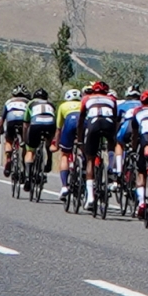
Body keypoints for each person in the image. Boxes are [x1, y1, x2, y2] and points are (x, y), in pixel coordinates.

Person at [76, 81, 121, 209]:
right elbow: (115, 119)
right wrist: (114, 138)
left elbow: (81, 120)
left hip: (93, 125)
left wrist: (80, 139)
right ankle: (111, 168)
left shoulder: (86, 98)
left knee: (90, 160)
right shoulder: (112, 99)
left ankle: (90, 197)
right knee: (112, 144)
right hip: (108, 124)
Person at [0, 86, 31, 176]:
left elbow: (1, 120)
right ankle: (24, 162)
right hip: (23, 122)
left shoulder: (8, 102)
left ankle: (9, 158)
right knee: (25, 143)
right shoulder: (28, 102)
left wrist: (0, 130)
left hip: (11, 121)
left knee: (9, 140)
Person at [25, 89, 57, 179]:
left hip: (36, 124)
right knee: (49, 142)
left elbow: (25, 123)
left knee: (30, 151)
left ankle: (28, 177)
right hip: (50, 123)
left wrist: (25, 139)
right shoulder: (51, 104)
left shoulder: (30, 103)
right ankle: (49, 161)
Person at [55, 88, 82, 191]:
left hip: (69, 124)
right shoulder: (83, 104)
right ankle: (83, 168)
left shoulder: (63, 106)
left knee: (65, 155)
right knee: (85, 149)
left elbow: (59, 128)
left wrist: (57, 144)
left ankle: (64, 187)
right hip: (82, 124)